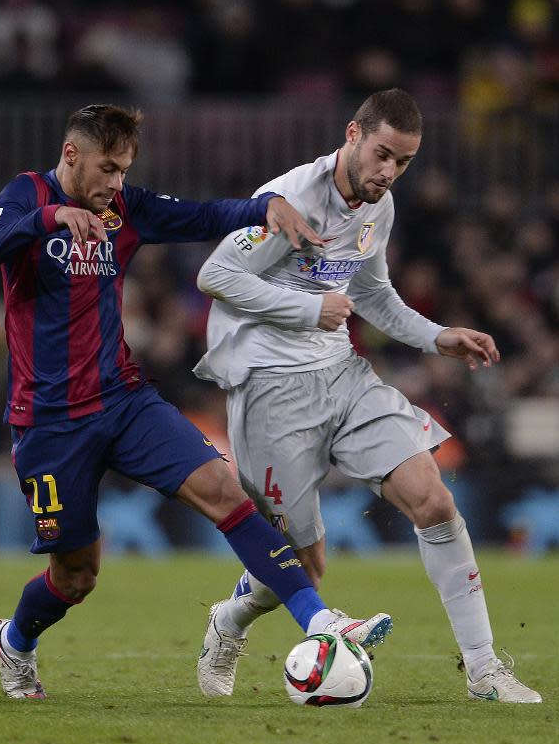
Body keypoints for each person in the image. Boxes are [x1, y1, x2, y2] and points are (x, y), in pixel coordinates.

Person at [0, 104, 391, 700]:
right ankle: (16, 642)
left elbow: (197, 215)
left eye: (124, 170)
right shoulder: (25, 194)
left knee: (226, 492)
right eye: (108, 168)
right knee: (76, 576)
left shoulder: (124, 210)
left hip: (124, 401)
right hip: (49, 423)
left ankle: (322, 623)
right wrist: (50, 217)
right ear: (71, 155)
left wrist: (261, 207)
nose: (116, 183)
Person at [194, 89, 542, 704]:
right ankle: (229, 622)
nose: (389, 173)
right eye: (382, 155)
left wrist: (439, 337)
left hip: (344, 377)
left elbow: (374, 294)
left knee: (434, 501)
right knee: (303, 568)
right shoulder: (291, 199)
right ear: (353, 134)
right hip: (271, 393)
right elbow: (215, 277)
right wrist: (309, 309)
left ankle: (485, 670)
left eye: (403, 162)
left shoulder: (378, 208)